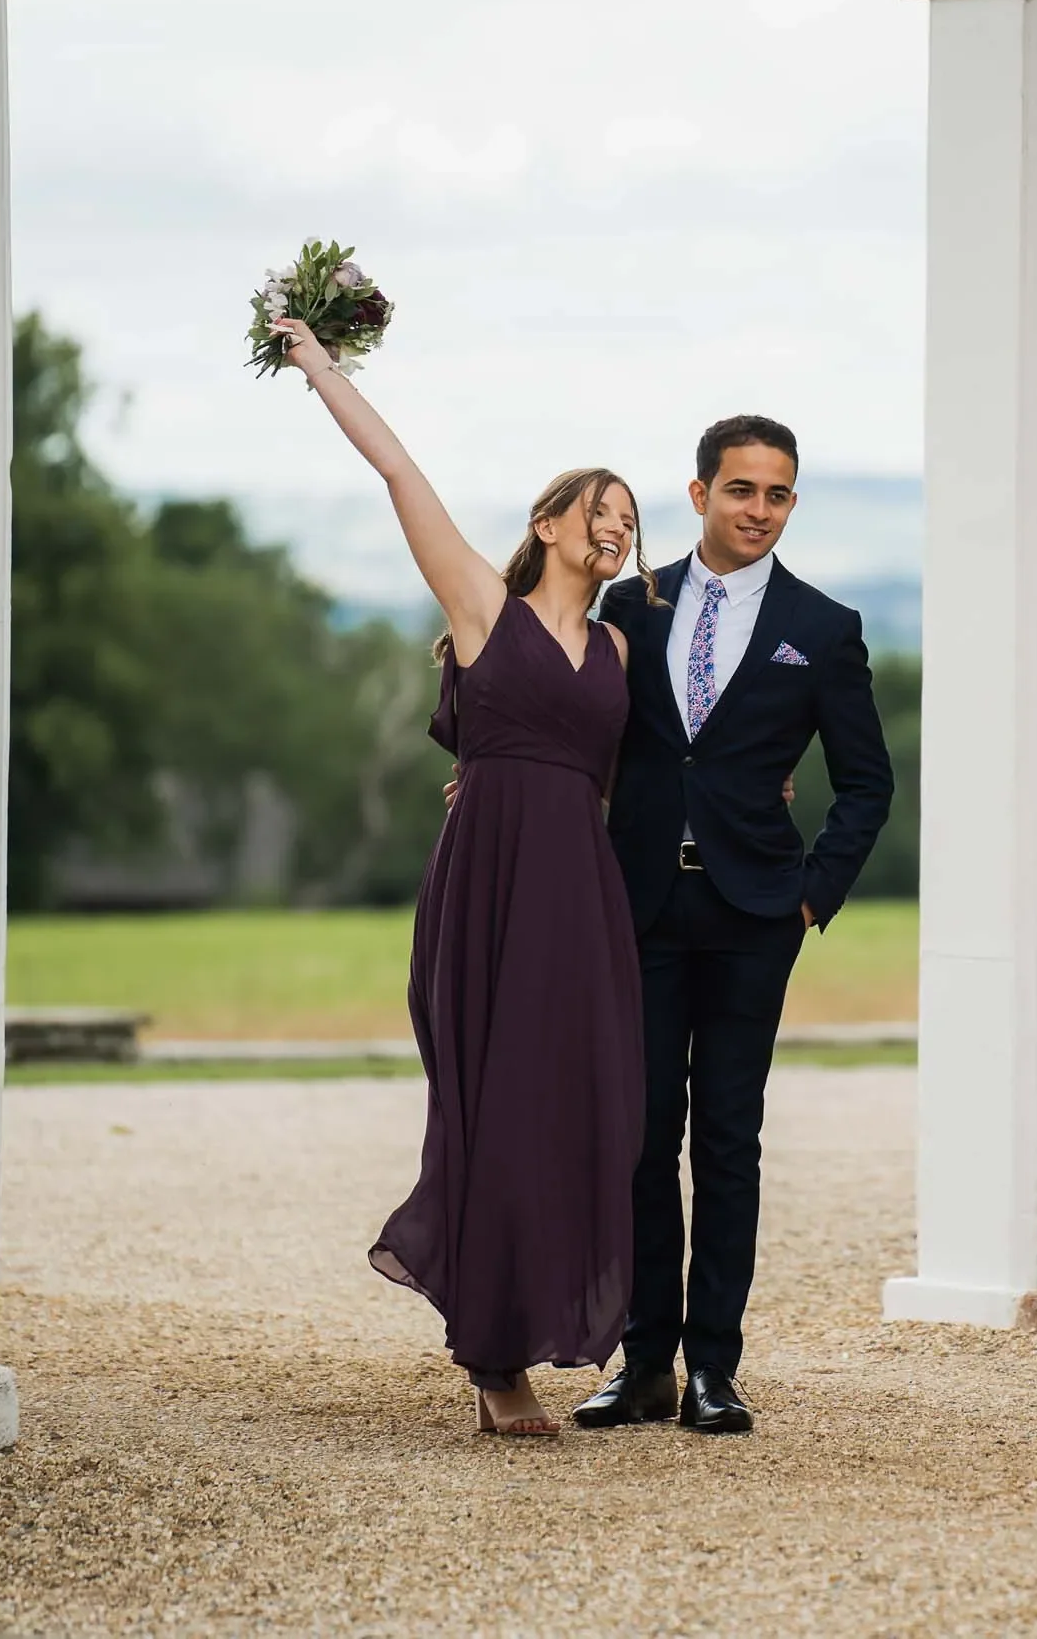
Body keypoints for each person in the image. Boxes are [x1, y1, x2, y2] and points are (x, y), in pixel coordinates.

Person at [268, 314, 648, 1438]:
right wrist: (317, 363)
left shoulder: (622, 649)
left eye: (632, 519)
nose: (619, 529)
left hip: (580, 891)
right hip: (489, 888)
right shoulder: (483, 605)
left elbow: (618, 770)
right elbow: (397, 470)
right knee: (499, 1105)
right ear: (548, 521)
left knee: (588, 1108)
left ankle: (548, 1321)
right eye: (602, 511)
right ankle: (492, 1358)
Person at [568, 414, 895, 1435]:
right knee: (638, 1139)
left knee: (728, 1138)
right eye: (742, 489)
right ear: (700, 491)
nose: (759, 510)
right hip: (641, 908)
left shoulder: (824, 625)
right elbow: (581, 731)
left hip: (757, 912)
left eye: (778, 494)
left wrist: (811, 893)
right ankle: (644, 1364)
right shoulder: (631, 604)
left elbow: (866, 783)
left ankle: (715, 1366)